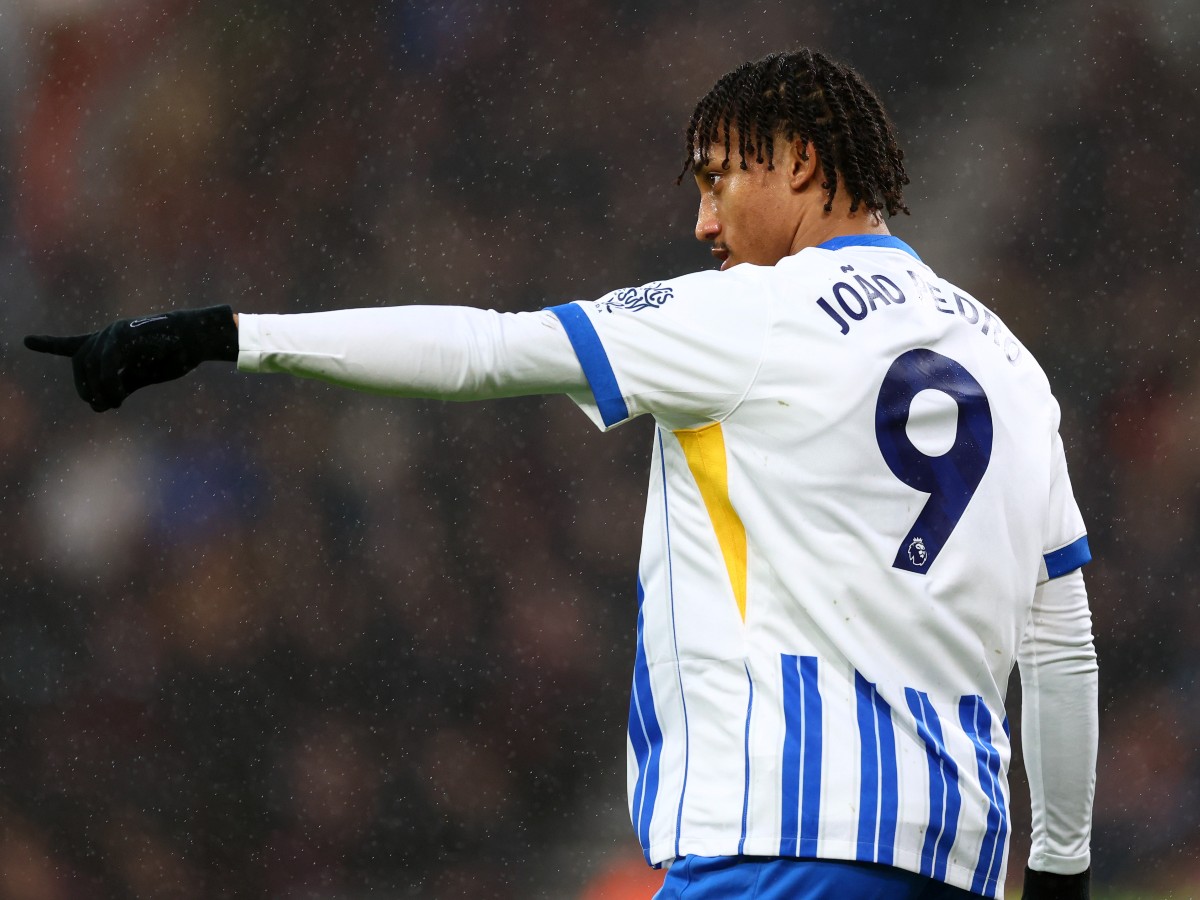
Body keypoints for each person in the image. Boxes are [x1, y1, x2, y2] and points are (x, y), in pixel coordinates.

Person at [25, 49, 1097, 899]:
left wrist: (225, 333)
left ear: (804, 164)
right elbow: (1063, 651)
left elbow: (487, 351)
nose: (704, 224)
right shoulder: (1011, 366)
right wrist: (1059, 873)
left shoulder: (751, 316)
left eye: (719, 180)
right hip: (959, 858)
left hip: (781, 842)